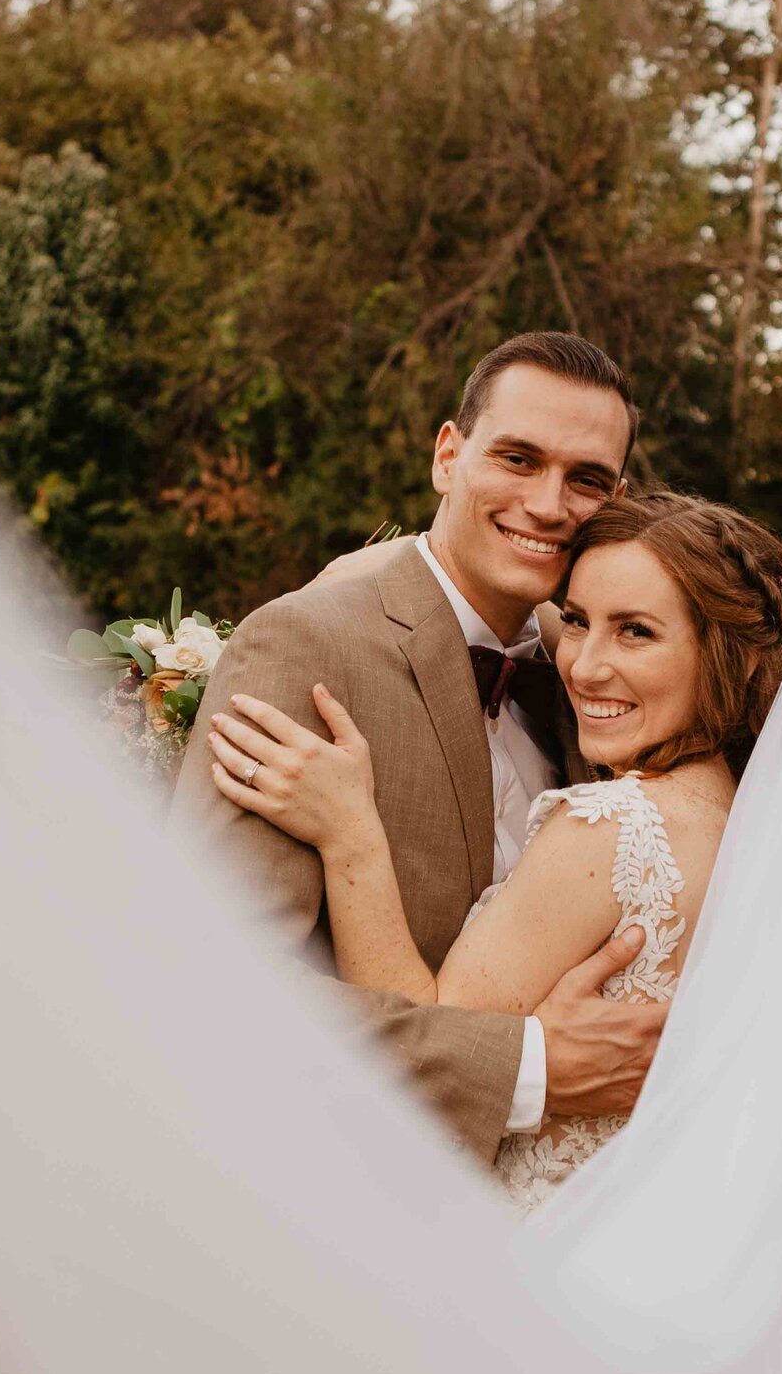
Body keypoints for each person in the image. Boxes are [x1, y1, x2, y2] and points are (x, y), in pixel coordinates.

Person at [206, 491, 782, 1209]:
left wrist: (350, 834)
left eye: (636, 632)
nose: (583, 665)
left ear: (734, 661)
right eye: (577, 621)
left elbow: (433, 1039)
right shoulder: (756, 824)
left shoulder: (609, 828)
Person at [169, 332, 666, 1158]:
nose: (549, 505)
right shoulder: (305, 646)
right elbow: (206, 985)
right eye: (517, 458)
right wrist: (526, 1072)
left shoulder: (597, 677)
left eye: (586, 479)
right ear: (448, 455)